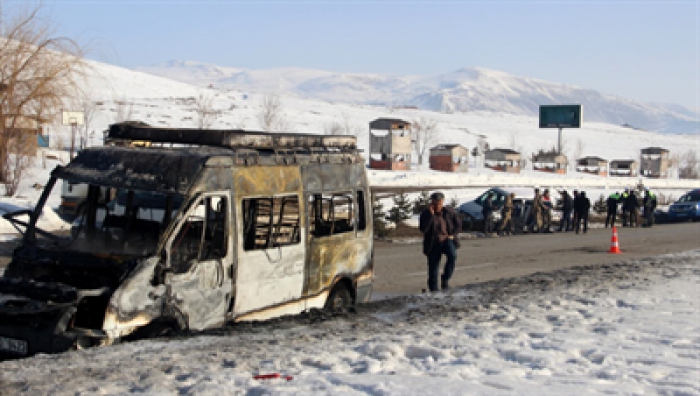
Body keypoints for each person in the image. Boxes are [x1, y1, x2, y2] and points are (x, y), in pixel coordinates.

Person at [419, 192, 462, 292]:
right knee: (433, 267)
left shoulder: (449, 212)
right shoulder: (426, 214)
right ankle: (433, 289)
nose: (437, 205)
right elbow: (423, 229)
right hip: (433, 242)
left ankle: (445, 279)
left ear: (442, 202)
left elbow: (458, 225)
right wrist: (431, 215)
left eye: (439, 203)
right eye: (435, 203)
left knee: (452, 255)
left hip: (447, 239)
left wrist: (453, 235)